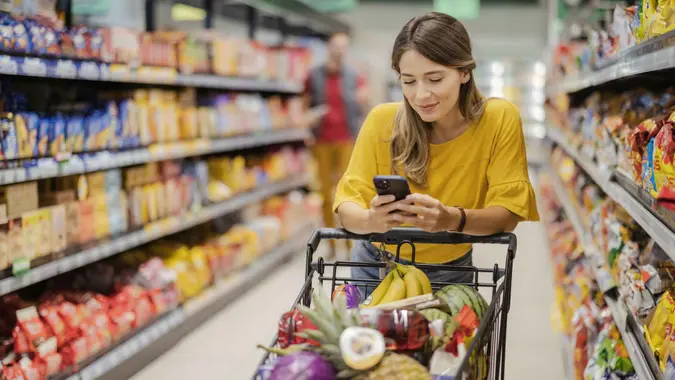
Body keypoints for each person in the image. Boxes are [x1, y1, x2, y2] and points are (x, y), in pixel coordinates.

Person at [332, 12, 540, 295]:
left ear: (464, 72)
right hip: (375, 267)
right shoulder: (382, 121)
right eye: (409, 81)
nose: (421, 95)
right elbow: (346, 207)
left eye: (434, 79)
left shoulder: (498, 119)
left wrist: (451, 219)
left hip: (450, 270)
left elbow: (508, 214)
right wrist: (371, 220)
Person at [305, 32, 369, 256]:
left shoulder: (354, 75)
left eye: (344, 47)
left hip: (346, 140)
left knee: (348, 193)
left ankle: (351, 243)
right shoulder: (314, 75)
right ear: (329, 48)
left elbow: (363, 103)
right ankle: (331, 243)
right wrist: (309, 118)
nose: (339, 51)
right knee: (325, 193)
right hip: (321, 140)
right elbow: (305, 105)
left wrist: (363, 99)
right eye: (336, 46)